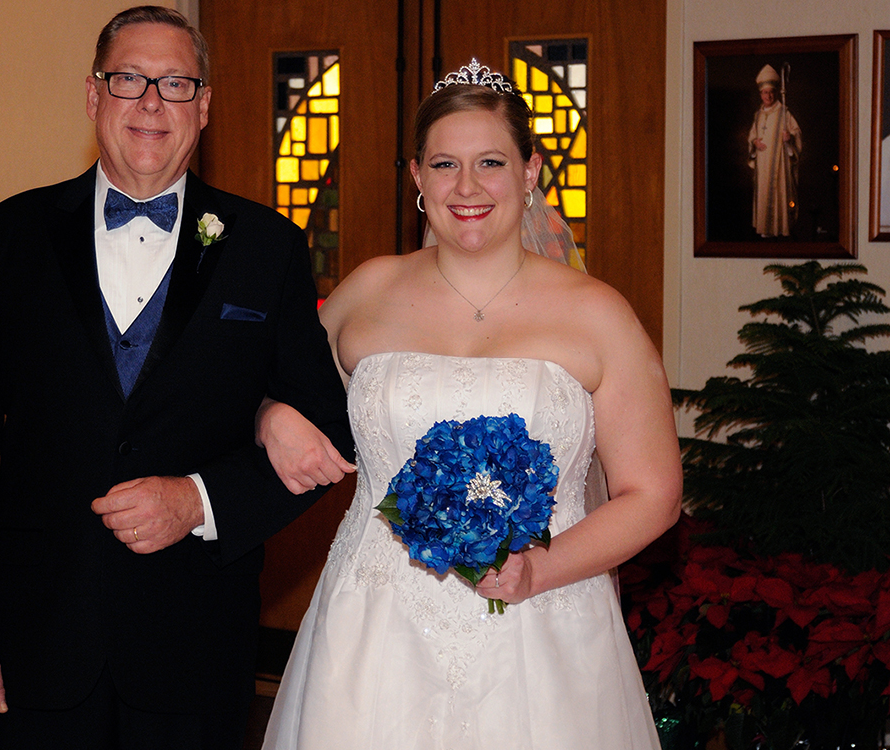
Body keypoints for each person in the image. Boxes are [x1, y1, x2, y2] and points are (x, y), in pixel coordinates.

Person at [0, 5, 351, 749]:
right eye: (130, 80)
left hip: (194, 645)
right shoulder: (6, 239)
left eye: (176, 83)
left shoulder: (266, 249)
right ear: (93, 97)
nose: (152, 103)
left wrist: (199, 500)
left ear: (205, 106)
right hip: (38, 641)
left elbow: (328, 434)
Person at [256, 60, 683, 748]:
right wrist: (270, 414)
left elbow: (653, 493)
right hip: (373, 626)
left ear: (530, 171)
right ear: (418, 177)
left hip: (543, 619)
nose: (468, 187)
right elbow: (273, 388)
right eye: (444, 164)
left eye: (490, 161)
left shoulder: (598, 314)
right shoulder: (367, 292)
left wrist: (539, 567)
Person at [748, 63, 802, 237]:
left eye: (771, 92)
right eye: (765, 92)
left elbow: (796, 132)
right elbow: (751, 137)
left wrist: (790, 139)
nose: (768, 95)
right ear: (760, 94)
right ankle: (765, 230)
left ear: (776, 92)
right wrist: (754, 143)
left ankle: (781, 229)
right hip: (763, 165)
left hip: (779, 164)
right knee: (764, 195)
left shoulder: (784, 112)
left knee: (780, 194)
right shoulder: (758, 116)